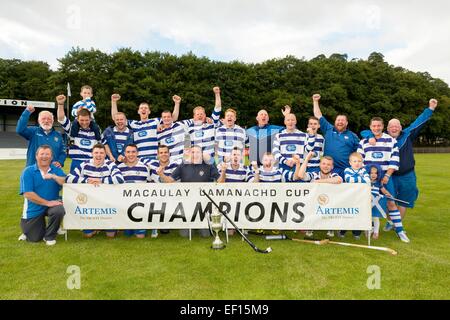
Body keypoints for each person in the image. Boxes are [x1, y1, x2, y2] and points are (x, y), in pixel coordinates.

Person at [361, 98, 438, 223]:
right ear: (387, 128)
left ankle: (394, 224)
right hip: (388, 175)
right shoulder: (380, 136)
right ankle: (389, 220)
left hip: (407, 175)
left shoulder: (407, 134)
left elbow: (419, 122)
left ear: (401, 127)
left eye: (397, 126)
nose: (394, 128)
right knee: (387, 199)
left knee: (405, 200)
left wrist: (430, 109)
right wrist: (370, 136)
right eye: (392, 126)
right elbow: (364, 131)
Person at [357, 117, 409, 243]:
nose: (376, 128)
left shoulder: (391, 141)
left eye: (378, 126)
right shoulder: (364, 142)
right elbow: (359, 161)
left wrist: (387, 176)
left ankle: (400, 231)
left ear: (383, 126)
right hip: (368, 178)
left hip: (385, 178)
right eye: (374, 126)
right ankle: (368, 228)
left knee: (391, 203)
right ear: (370, 127)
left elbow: (394, 160)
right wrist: (365, 177)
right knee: (366, 203)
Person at [158, 145, 220, 238]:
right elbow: (170, 181)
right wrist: (161, 174)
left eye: (198, 152)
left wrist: (223, 172)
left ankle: (201, 225)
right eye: (193, 152)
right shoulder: (183, 166)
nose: (195, 154)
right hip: (187, 204)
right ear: (190, 154)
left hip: (203, 205)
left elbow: (220, 182)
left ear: (202, 154)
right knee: (184, 235)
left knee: (205, 235)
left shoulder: (209, 166)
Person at [66, 143, 125, 238]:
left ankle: (107, 227)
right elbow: (68, 178)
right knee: (88, 235)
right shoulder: (85, 164)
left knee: (110, 235)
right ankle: (95, 227)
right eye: (96, 152)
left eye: (101, 153)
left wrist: (101, 180)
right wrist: (87, 180)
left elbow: (120, 179)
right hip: (89, 205)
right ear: (92, 154)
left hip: (107, 205)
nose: (99, 155)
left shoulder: (110, 164)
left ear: (105, 155)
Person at [18, 145, 66, 246]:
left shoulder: (55, 169)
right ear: (36, 156)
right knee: (34, 238)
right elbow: (28, 194)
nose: (44, 156)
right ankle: (27, 230)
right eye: (42, 154)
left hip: (52, 204)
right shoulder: (28, 171)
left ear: (51, 157)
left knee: (59, 210)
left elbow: (65, 182)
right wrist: (47, 203)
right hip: (34, 207)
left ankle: (49, 236)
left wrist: (54, 176)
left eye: (47, 154)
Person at [111, 93, 179, 161]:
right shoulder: (133, 124)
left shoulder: (156, 121)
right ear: (138, 111)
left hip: (154, 158)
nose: (143, 109)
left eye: (146, 108)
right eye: (141, 108)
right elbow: (116, 118)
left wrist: (177, 103)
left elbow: (173, 118)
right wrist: (114, 102)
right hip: (139, 159)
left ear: (149, 111)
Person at [296, 151, 343, 239]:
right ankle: (310, 228)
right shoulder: (314, 174)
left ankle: (331, 228)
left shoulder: (333, 174)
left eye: (328, 164)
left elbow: (338, 180)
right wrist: (307, 159)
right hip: (315, 202)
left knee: (334, 205)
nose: (326, 166)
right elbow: (300, 175)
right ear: (320, 165)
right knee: (310, 206)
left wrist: (318, 181)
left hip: (329, 201)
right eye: (324, 164)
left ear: (332, 167)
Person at [312, 94, 360, 178]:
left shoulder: (353, 136)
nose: (340, 122)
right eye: (338, 120)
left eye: (342, 120)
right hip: (328, 169)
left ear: (346, 123)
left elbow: (359, 152)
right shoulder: (328, 129)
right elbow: (318, 115)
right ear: (335, 121)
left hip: (345, 170)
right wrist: (315, 101)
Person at [56, 95, 100, 173]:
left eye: (87, 120)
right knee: (75, 184)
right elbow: (61, 119)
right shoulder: (72, 128)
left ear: (90, 119)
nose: (84, 122)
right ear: (77, 119)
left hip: (92, 162)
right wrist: (60, 104)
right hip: (76, 162)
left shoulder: (96, 130)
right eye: (81, 120)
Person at [118, 144, 151, 238]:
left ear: (137, 153)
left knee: (140, 236)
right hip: (124, 206)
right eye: (128, 152)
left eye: (133, 152)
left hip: (140, 206)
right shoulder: (119, 168)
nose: (131, 154)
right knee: (127, 235)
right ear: (124, 153)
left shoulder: (144, 168)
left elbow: (150, 183)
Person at [181, 87, 222, 163]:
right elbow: (174, 123)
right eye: (198, 114)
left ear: (205, 115)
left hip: (210, 160)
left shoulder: (211, 123)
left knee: (215, 175)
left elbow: (218, 108)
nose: (200, 116)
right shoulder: (190, 126)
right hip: (195, 160)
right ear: (194, 116)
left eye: (201, 114)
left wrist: (217, 94)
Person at [340, 152, 371, 239]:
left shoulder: (363, 170)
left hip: (360, 197)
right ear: (350, 163)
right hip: (349, 196)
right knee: (347, 213)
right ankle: (342, 231)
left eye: (359, 161)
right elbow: (349, 179)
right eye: (354, 161)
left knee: (358, 214)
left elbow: (368, 181)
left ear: (362, 162)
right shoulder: (347, 170)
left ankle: (356, 233)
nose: (357, 163)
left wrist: (357, 178)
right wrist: (361, 179)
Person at [157, 95, 186, 163]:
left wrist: (177, 103)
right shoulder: (159, 131)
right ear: (162, 119)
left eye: (168, 117)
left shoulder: (179, 125)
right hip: (168, 162)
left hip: (182, 161)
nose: (166, 118)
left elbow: (196, 119)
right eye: (164, 117)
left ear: (171, 118)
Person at [367, 164, 390, 240]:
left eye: (375, 173)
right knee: (368, 217)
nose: (373, 175)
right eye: (371, 173)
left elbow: (383, 190)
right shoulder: (366, 182)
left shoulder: (378, 183)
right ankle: (369, 230)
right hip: (367, 202)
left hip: (376, 203)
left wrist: (387, 194)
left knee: (375, 217)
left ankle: (376, 232)